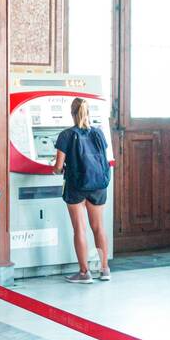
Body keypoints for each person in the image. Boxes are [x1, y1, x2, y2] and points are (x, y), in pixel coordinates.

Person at [53, 97, 111, 284]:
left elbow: (58, 166)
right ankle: (104, 269)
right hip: (97, 184)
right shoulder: (98, 133)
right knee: (98, 227)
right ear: (88, 113)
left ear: (72, 113)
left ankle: (84, 272)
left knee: (80, 228)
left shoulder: (66, 135)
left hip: (76, 185)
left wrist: (54, 169)